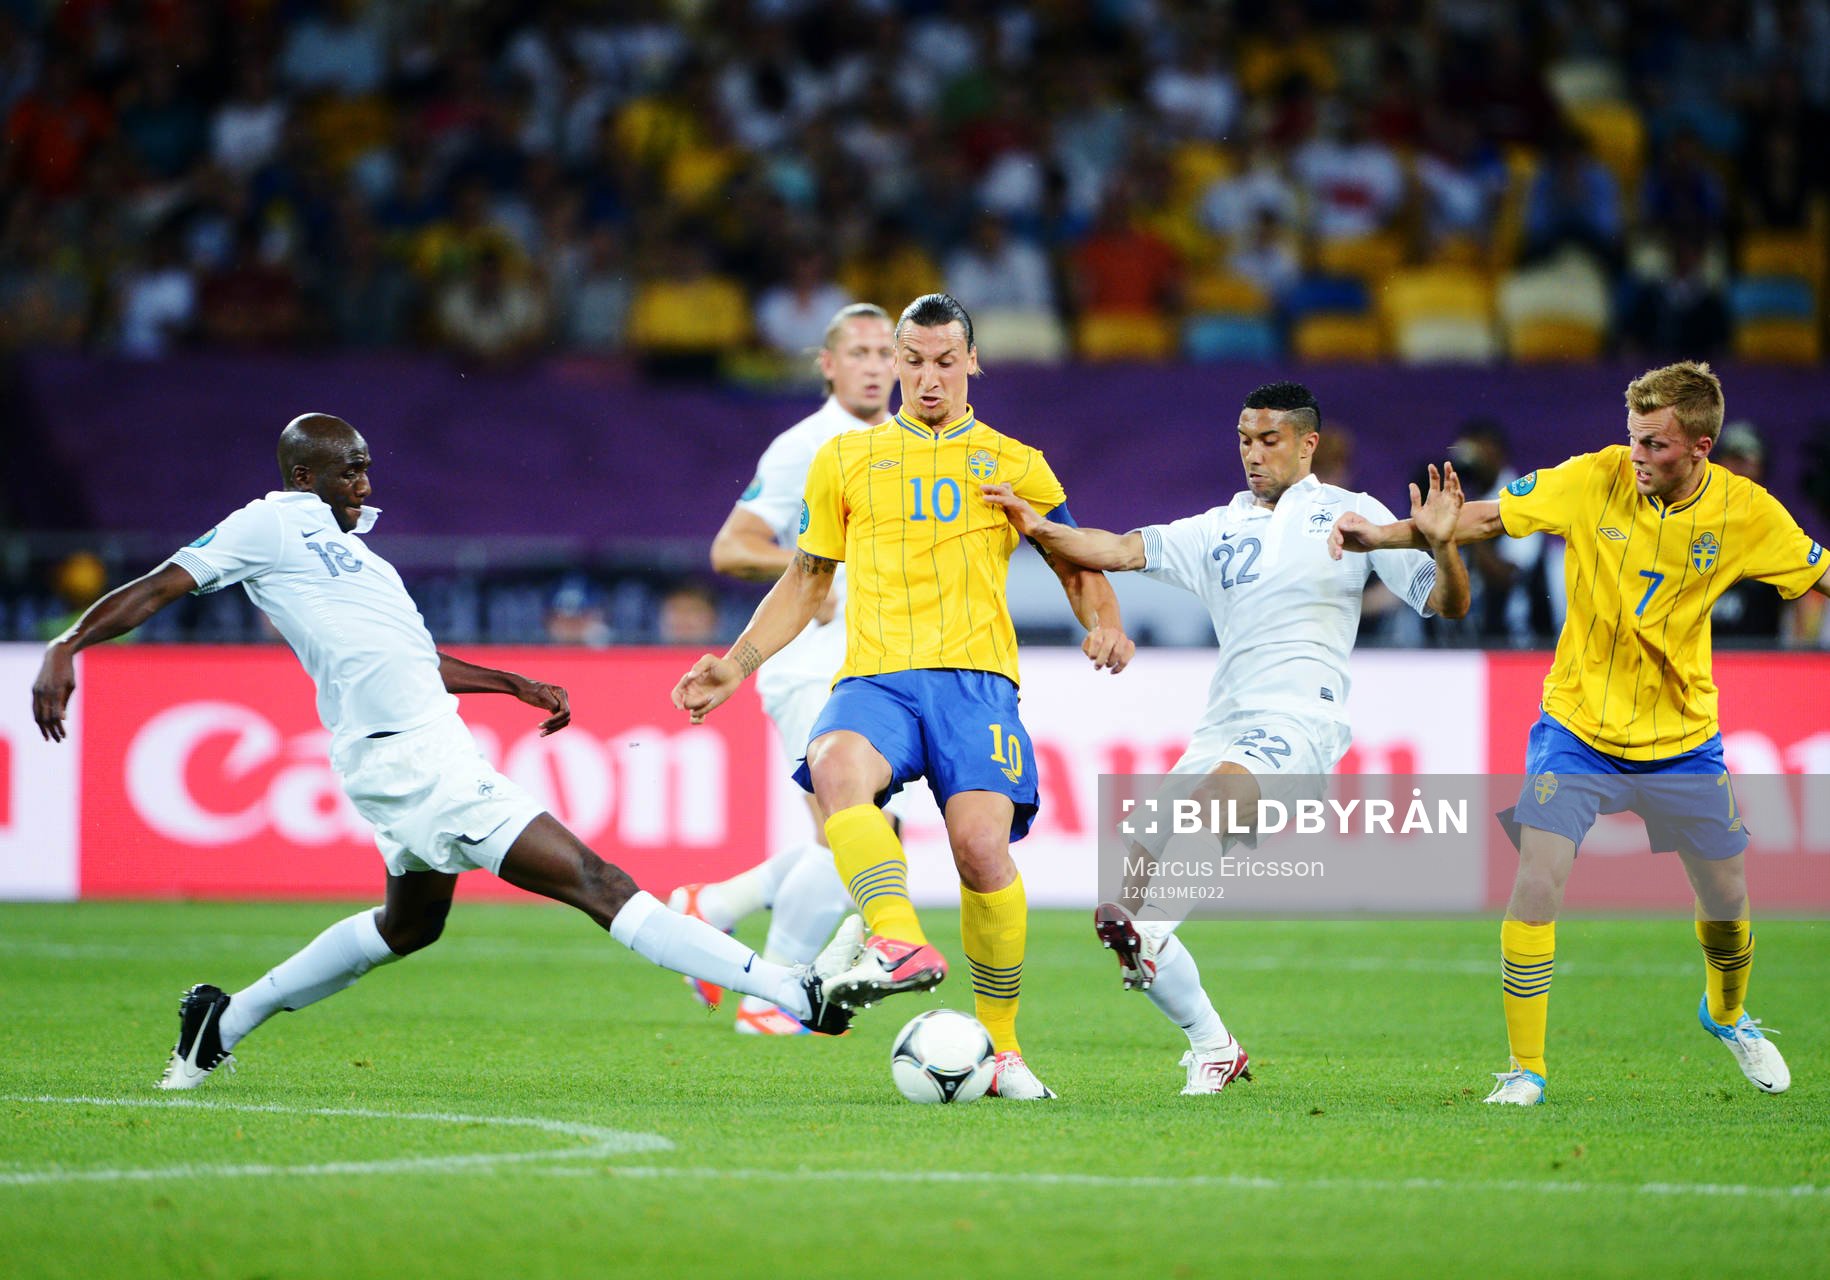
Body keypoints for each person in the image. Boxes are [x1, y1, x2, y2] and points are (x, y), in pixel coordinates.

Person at [30, 414, 863, 1091]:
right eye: (349, 470)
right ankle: (795, 990)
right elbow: (164, 583)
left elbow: (411, 658)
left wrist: (511, 683)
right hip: (414, 763)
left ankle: (225, 1018)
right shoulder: (271, 522)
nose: (365, 482)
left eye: (366, 467)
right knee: (599, 884)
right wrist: (69, 644)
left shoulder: (354, 555)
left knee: (410, 925)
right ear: (304, 478)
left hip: (416, 746)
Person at [672, 293, 1135, 1100]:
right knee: (833, 767)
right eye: (911, 360)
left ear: (972, 363)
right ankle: (895, 939)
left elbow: (1075, 563)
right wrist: (737, 663)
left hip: (976, 685)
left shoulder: (1015, 461)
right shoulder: (843, 460)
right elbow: (806, 575)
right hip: (877, 677)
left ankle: (1005, 1052)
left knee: (981, 851)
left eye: (943, 362)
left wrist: (1105, 624)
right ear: (896, 362)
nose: (926, 378)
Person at [1330, 361, 1830, 1105]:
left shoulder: (1747, 512)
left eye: (1655, 444)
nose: (1638, 455)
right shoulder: (1597, 476)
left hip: (1683, 736)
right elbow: (1487, 517)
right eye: (1633, 438)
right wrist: (1380, 537)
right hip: (1578, 725)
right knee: (1537, 879)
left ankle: (1727, 1015)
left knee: (1727, 900)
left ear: (1699, 446)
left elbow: (1818, 577)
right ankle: (1526, 1070)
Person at [983, 381, 1470, 1094]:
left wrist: (1444, 543)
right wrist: (1033, 523)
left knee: (1184, 850)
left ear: (1308, 444)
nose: (1252, 452)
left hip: (1302, 718)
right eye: (1244, 438)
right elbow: (1115, 549)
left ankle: (1149, 938)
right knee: (1134, 877)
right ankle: (1213, 1045)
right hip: (1225, 723)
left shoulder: (1353, 514)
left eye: (1268, 439)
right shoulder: (1217, 526)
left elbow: (1446, 603)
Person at [671, 302, 911, 1036]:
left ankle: (707, 912)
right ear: (829, 365)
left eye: (885, 353)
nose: (876, 365)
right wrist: (818, 572)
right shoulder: (804, 445)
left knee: (860, 838)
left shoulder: (910, 444)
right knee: (857, 837)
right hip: (808, 665)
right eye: (860, 352)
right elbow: (732, 547)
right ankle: (769, 1001)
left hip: (873, 669)